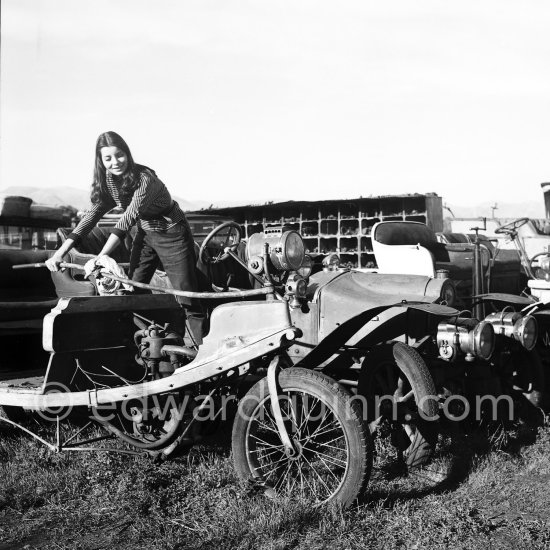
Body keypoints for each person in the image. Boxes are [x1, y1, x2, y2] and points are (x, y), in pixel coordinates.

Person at [46, 131, 204, 344]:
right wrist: (59, 254)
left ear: (128, 154)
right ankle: (148, 344)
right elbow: (90, 217)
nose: (115, 162)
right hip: (145, 233)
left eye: (119, 155)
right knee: (132, 290)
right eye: (108, 158)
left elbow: (126, 220)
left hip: (172, 234)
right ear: (100, 161)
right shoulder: (109, 183)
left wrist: (101, 256)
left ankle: (197, 350)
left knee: (187, 296)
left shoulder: (145, 179)